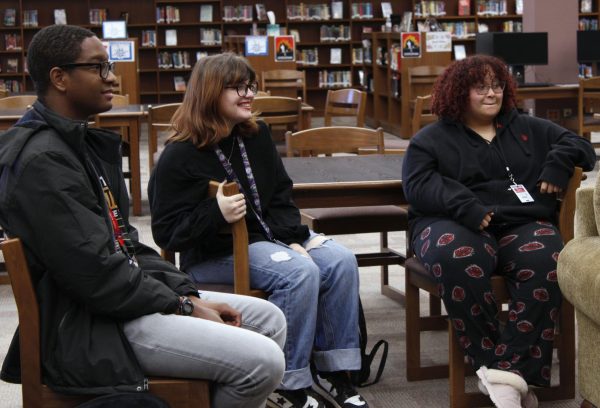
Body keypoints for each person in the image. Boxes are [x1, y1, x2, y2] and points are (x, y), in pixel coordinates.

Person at [0, 25, 286, 408]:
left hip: (118, 301)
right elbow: (96, 275)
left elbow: (126, 243)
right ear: (59, 78)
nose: (113, 77)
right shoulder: (44, 162)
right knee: (262, 361)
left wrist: (184, 290)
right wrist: (185, 305)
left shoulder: (76, 144)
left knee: (269, 318)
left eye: (110, 65)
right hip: (92, 323)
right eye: (99, 67)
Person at [148, 52, 368, 408]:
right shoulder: (179, 155)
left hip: (270, 240)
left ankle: (335, 372)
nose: (249, 94)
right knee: (298, 273)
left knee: (340, 260)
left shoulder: (256, 134)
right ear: (209, 92)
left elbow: (280, 194)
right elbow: (166, 232)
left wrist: (295, 238)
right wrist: (215, 212)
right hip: (213, 255)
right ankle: (290, 382)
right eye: (237, 88)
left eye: (250, 85)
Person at [402, 55, 596, 408]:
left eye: (497, 85)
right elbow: (417, 184)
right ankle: (496, 366)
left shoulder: (526, 127)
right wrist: (465, 205)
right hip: (451, 221)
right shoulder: (431, 138)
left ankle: (504, 373)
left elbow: (582, 147)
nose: (491, 94)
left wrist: (557, 163)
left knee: (550, 259)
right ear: (460, 93)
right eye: (480, 87)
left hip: (520, 222)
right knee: (457, 256)